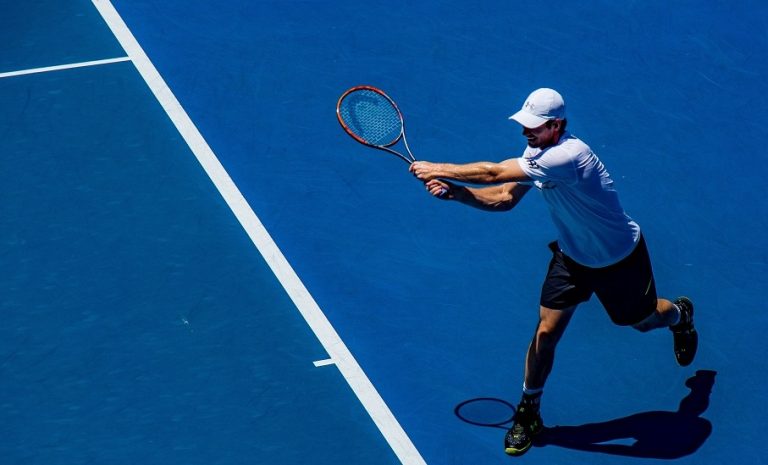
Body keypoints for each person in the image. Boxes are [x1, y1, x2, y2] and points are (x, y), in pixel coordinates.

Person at [409, 88, 698, 457]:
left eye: (533, 126)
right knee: (546, 333)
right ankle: (528, 412)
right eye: (524, 125)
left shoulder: (569, 156)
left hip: (620, 259)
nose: (525, 132)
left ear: (556, 125)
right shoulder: (536, 154)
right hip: (572, 258)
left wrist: (437, 167)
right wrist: (458, 194)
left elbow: (493, 172)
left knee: (643, 321)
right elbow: (504, 198)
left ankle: (680, 314)